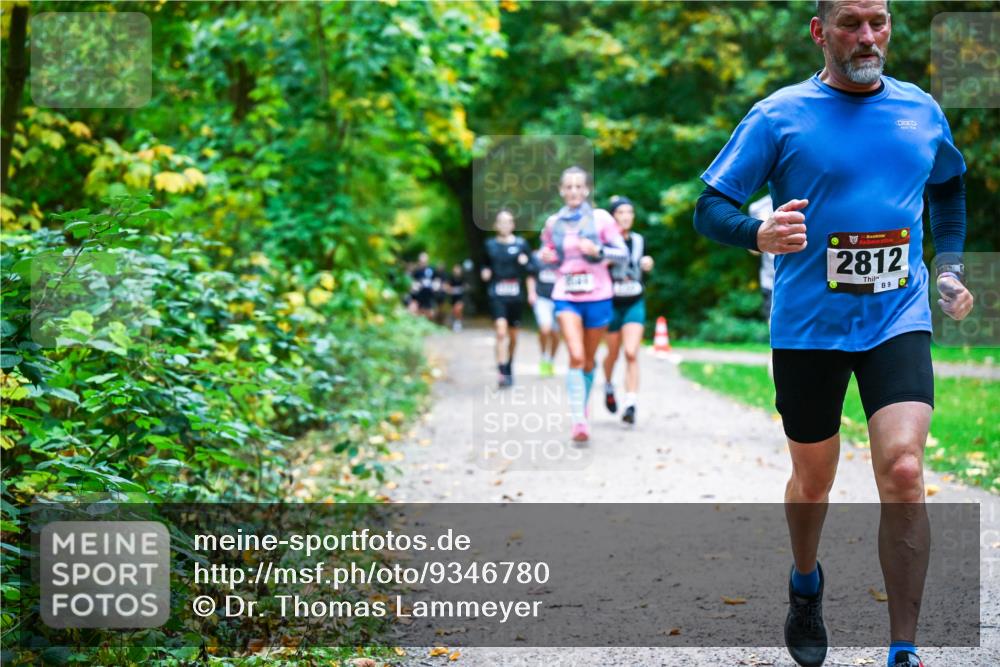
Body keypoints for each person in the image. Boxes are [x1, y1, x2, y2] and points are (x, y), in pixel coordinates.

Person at [693, 2, 974, 666]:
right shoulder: (779, 116)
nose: (868, 35)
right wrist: (756, 232)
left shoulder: (920, 111)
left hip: (896, 317)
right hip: (808, 327)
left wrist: (950, 265)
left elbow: (951, 188)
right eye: (851, 22)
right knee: (812, 480)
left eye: (878, 20)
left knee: (904, 468)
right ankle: (805, 580)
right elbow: (708, 206)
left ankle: (903, 646)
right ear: (821, 32)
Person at [539, 166, 628, 442]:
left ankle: (583, 408)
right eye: (569, 187)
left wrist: (599, 251)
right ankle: (578, 419)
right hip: (566, 294)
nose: (574, 191)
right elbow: (551, 255)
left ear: (587, 190)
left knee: (589, 361)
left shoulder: (601, 219)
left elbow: (622, 254)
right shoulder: (554, 223)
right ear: (561, 191)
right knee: (576, 356)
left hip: (599, 294)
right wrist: (546, 256)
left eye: (579, 187)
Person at [601, 195, 654, 425]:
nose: (625, 216)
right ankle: (609, 385)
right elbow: (594, 265)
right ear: (613, 217)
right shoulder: (605, 242)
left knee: (631, 352)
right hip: (610, 303)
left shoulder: (639, 240)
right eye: (620, 212)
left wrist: (648, 263)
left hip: (634, 301)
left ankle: (630, 402)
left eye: (629, 212)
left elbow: (647, 261)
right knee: (612, 354)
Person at [481, 210, 532, 388]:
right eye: (501, 222)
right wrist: (485, 272)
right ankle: (502, 370)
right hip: (497, 293)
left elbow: (532, 269)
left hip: (515, 294)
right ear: (496, 225)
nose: (504, 225)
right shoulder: (490, 245)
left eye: (508, 222)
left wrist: (525, 262)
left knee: (513, 336)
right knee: (501, 332)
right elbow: (485, 264)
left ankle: (509, 363)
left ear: (513, 225)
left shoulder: (521, 244)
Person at [526, 245, 561, 377]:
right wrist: (531, 293)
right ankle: (543, 357)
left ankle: (551, 360)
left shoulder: (562, 254)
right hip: (542, 299)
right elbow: (531, 276)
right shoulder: (536, 256)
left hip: (558, 299)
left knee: (556, 334)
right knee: (545, 329)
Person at [408, 252, 441, 322]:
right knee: (417, 312)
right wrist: (415, 286)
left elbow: (437, 280)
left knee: (430, 313)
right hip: (419, 295)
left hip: (429, 295)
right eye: (421, 261)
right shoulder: (416, 271)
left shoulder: (432, 269)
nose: (423, 263)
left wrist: (435, 286)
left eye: (425, 261)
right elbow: (412, 282)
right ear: (419, 261)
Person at [446, 263, 467, 332]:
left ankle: (458, 322)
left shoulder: (463, 277)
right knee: (454, 310)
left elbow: (465, 286)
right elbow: (448, 286)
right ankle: (456, 321)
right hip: (453, 297)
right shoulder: (451, 277)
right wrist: (451, 290)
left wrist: (462, 289)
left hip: (460, 297)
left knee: (459, 309)